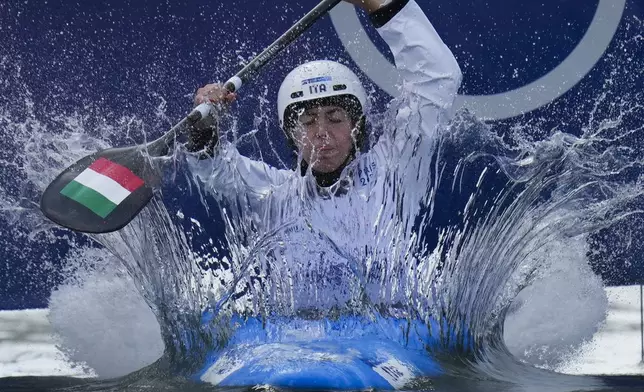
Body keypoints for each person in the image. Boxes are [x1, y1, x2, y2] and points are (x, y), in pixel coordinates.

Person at [185, 0, 463, 387]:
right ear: (290, 134)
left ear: (357, 125)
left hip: (387, 336)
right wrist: (204, 123)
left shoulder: (396, 168)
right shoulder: (274, 192)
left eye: (335, 118)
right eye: (307, 121)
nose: (321, 133)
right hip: (282, 340)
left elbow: (438, 79)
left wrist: (384, 6)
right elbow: (215, 167)